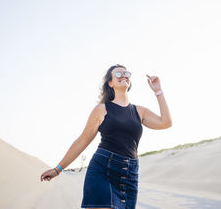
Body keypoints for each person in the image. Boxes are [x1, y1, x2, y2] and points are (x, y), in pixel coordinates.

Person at [40, 64, 172, 209]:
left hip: (129, 176)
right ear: (110, 83)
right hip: (103, 170)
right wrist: (58, 169)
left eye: (126, 73)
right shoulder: (101, 110)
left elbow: (166, 122)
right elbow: (82, 141)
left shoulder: (139, 111)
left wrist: (158, 91)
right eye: (118, 74)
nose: (123, 76)